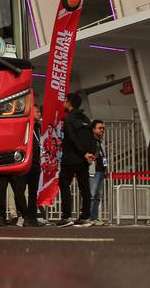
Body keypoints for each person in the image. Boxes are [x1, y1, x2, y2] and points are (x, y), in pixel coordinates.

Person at [55, 92, 98, 226]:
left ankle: (67, 216)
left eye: (65, 101)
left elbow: (72, 139)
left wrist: (84, 153)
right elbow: (93, 139)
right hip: (84, 161)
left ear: (69, 103)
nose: (63, 103)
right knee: (84, 187)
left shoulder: (69, 119)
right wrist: (90, 154)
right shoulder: (86, 119)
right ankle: (85, 217)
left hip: (70, 158)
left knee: (64, 184)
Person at [25, 105, 44, 226]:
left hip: (36, 164)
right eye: (37, 111)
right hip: (25, 163)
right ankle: (23, 216)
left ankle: (32, 217)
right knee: (20, 191)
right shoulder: (25, 125)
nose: (40, 113)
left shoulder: (38, 127)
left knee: (33, 192)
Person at [88, 121, 108, 223]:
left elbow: (103, 157)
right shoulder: (91, 141)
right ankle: (89, 217)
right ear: (93, 129)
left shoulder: (100, 141)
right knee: (92, 194)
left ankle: (94, 217)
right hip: (93, 171)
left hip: (101, 170)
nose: (102, 130)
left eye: (103, 128)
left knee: (98, 195)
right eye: (99, 128)